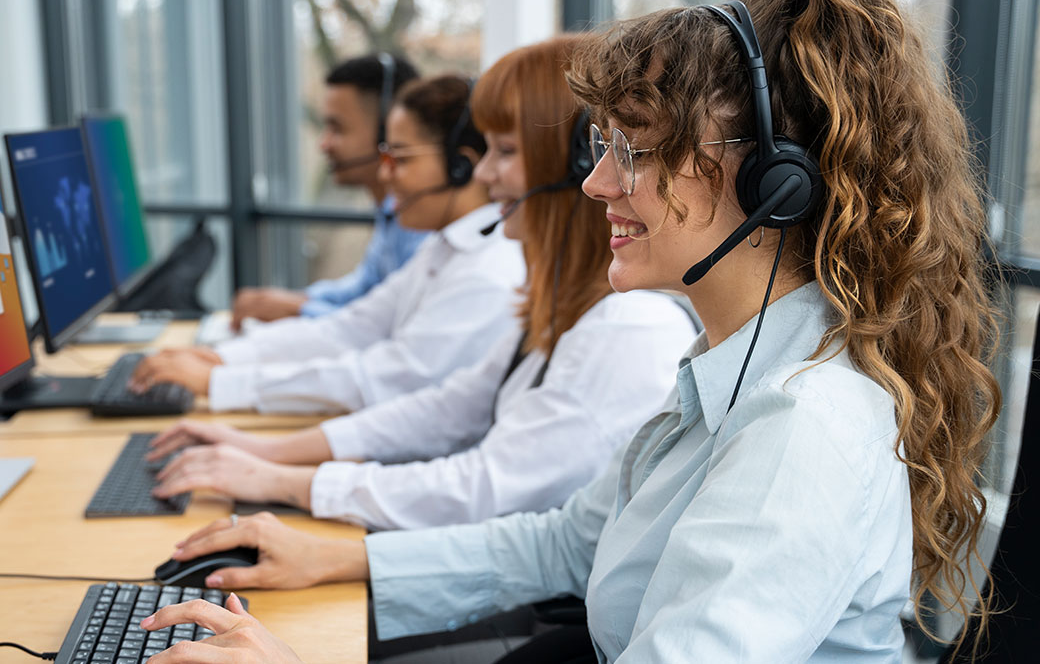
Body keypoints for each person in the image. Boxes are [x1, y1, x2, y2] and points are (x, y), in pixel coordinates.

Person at [139, 0, 1002, 661]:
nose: (596, 186)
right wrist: (335, 559)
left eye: (633, 151)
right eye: (603, 151)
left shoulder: (801, 431)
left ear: (773, 183)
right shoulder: (726, 363)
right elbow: (568, 538)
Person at [142, 36, 698, 531]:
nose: (482, 175)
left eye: (504, 153)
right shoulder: (561, 307)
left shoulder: (621, 329)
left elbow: (483, 483)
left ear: (573, 169)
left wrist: (283, 478)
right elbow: (447, 407)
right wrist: (266, 453)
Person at [130, 76, 525, 415]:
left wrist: (221, 381)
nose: (386, 176)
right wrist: (221, 359)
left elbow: (384, 378)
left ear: (461, 166)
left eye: (400, 159)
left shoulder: (487, 273)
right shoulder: (445, 247)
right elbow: (348, 330)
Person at [228, 54, 431, 328]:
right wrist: (294, 300)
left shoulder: (422, 223)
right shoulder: (391, 212)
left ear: (388, 133)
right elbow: (363, 290)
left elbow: (389, 328)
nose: (323, 144)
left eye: (337, 128)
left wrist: (299, 308)